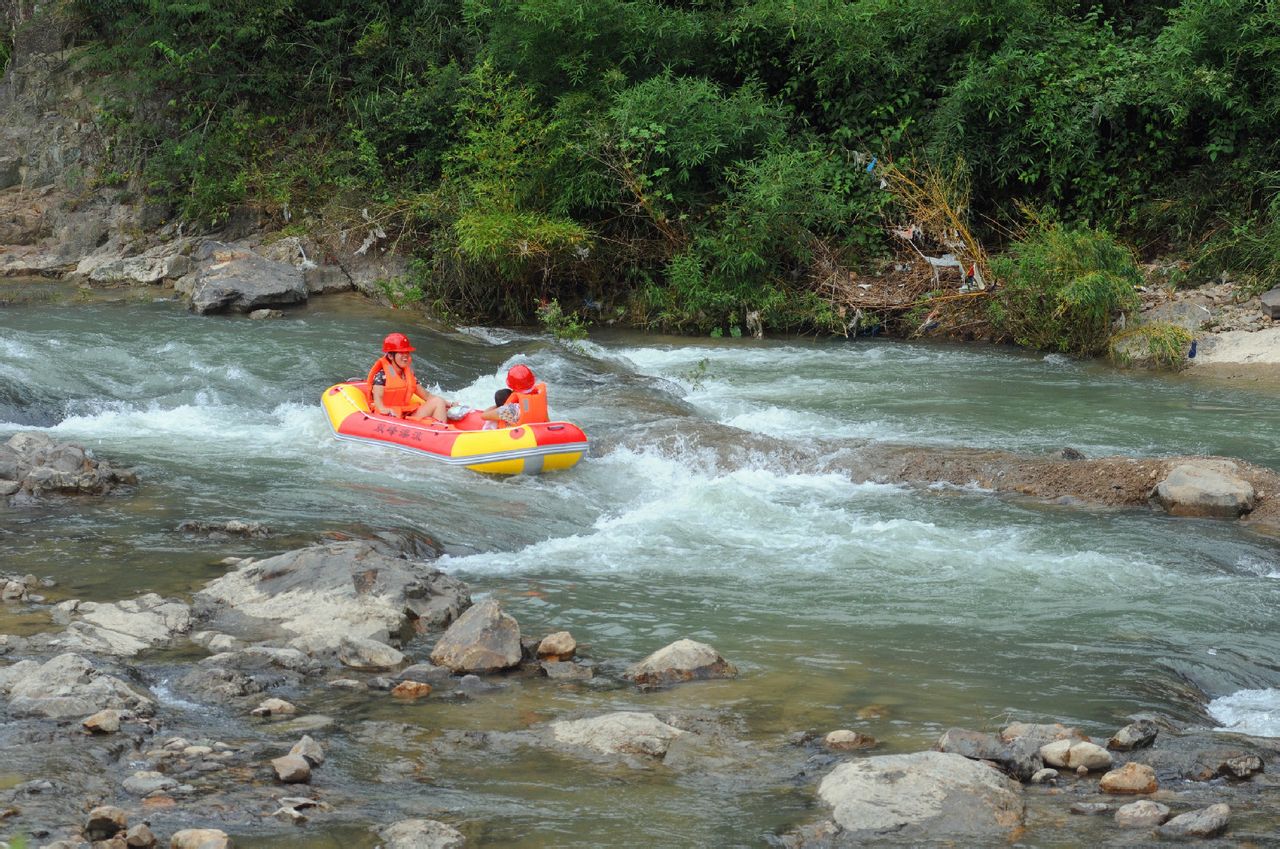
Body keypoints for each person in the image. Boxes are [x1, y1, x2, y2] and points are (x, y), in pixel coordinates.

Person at [367, 332, 450, 421]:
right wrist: (383, 409)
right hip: (388, 417)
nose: (405, 356)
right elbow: (378, 398)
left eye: (407, 352)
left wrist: (449, 404)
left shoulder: (408, 375)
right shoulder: (382, 376)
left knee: (438, 401)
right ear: (391, 356)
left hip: (405, 415)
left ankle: (440, 431)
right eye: (401, 352)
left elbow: (427, 396)